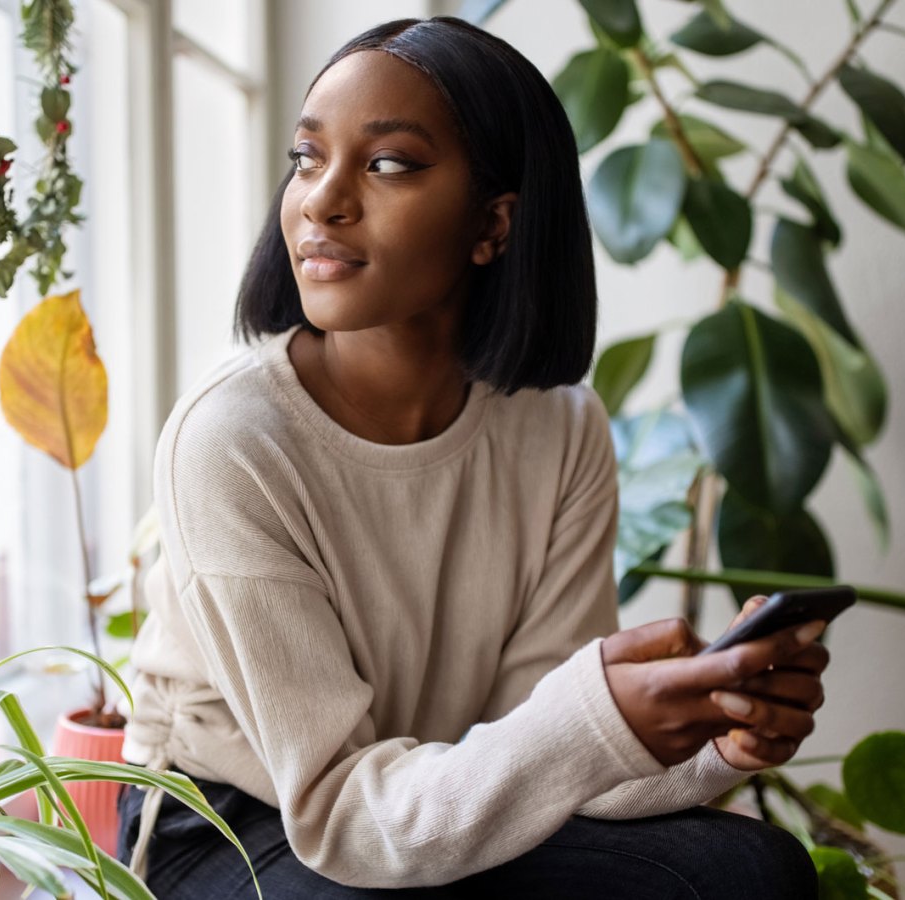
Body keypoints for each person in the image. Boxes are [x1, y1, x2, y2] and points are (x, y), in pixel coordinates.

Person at [117, 15, 826, 899]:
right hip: (240, 821)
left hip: (440, 794)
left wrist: (717, 739)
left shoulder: (560, 429)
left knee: (751, 870)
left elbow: (539, 749)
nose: (321, 200)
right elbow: (342, 810)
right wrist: (586, 718)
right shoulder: (230, 440)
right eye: (307, 157)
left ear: (493, 224)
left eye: (386, 165)